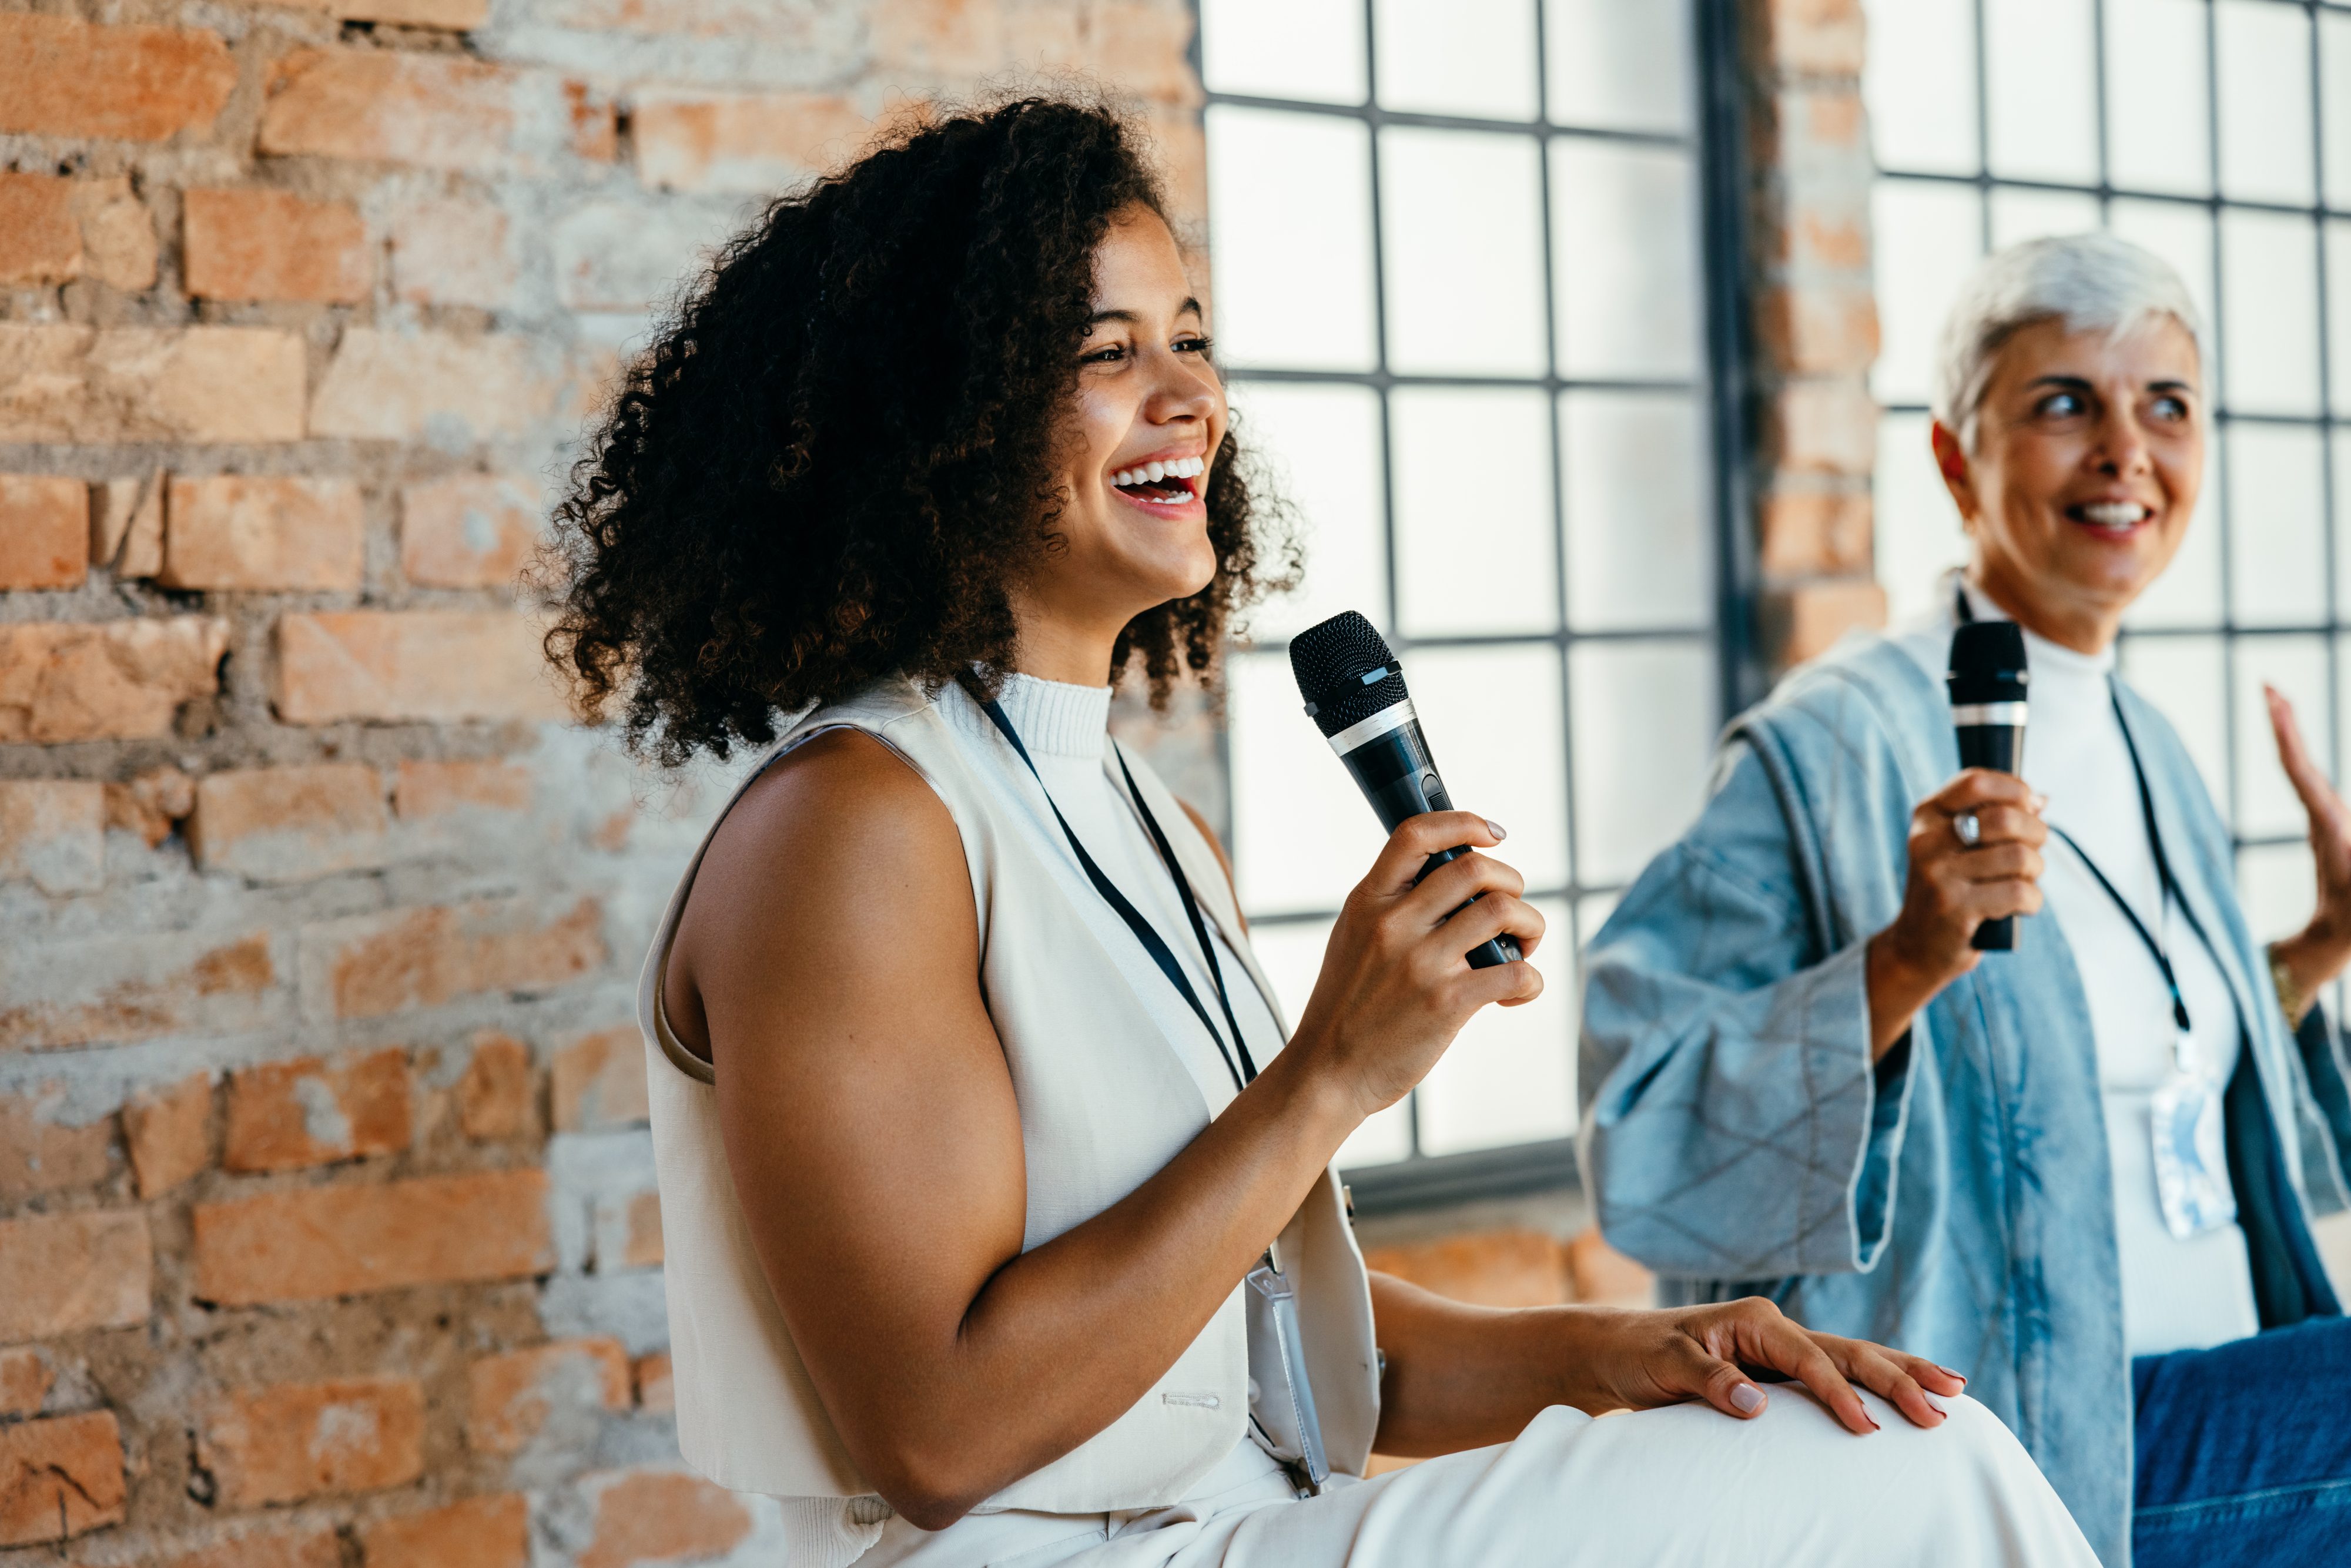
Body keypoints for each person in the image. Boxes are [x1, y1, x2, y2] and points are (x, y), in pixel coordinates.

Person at [542, 95, 2096, 1567]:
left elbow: (1262, 1342)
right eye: (1106, 352)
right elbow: (940, 1431)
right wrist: (1333, 1072)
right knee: (1921, 1477)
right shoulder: (855, 825)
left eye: (1191, 340)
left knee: (1888, 1432)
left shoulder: (1146, 820)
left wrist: (1635, 1349)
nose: (1188, 399)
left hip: (1254, 1525)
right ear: (939, 414)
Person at [1580, 233, 2351, 1567]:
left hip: (2208, 1417)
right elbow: (1641, 1133)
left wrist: (2317, 947)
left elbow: (2149, 1072)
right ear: (1953, 459)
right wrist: (1901, 960)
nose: (2125, 451)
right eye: (2065, 403)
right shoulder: (1829, 746)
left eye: (2166, 406)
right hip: (2007, 1457)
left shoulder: (2149, 741)